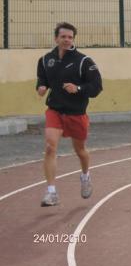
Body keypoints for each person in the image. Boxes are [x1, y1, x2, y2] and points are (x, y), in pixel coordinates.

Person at [36, 22, 103, 207]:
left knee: (80, 151)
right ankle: (51, 192)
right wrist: (41, 87)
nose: (66, 40)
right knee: (50, 147)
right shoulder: (45, 60)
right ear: (56, 38)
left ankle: (85, 176)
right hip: (55, 110)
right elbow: (43, 79)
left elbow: (97, 87)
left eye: (70, 37)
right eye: (63, 37)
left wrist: (78, 88)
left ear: (73, 39)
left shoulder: (84, 61)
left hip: (76, 113)